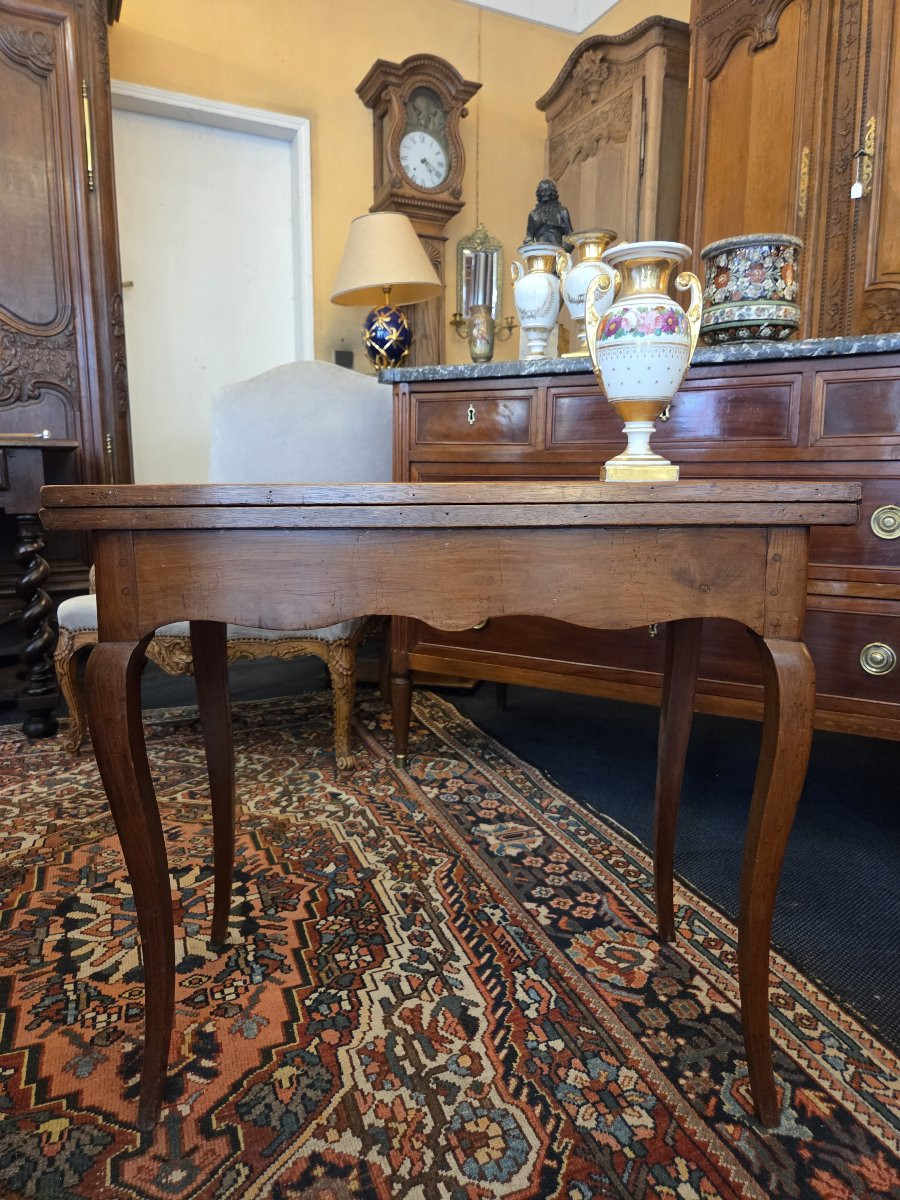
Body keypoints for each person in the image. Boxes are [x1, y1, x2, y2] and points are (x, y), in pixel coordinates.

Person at [525, 179, 573, 246]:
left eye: (546, 191)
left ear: (552, 192)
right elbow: (528, 236)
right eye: (542, 191)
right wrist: (529, 243)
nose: (544, 193)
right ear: (539, 193)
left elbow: (571, 236)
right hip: (539, 252)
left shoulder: (562, 212)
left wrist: (564, 250)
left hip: (557, 251)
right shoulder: (533, 215)